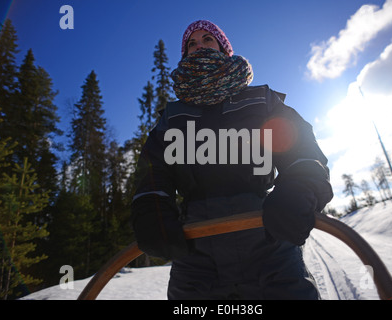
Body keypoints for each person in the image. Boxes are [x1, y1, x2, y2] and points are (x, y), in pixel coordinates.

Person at [131, 20, 333, 300]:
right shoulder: (173, 117)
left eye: (207, 39)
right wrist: (151, 208)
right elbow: (153, 169)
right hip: (195, 253)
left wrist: (298, 188)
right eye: (192, 43)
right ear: (185, 55)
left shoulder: (261, 100)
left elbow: (301, 148)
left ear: (224, 49)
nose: (199, 45)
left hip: (267, 239)